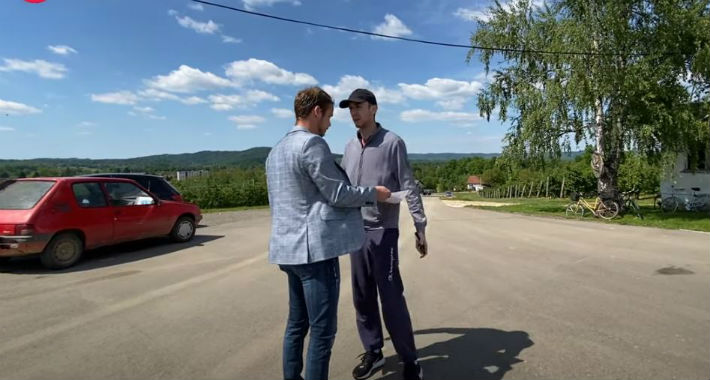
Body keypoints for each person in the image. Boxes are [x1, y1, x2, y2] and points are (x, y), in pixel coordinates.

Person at [266, 86, 392, 380]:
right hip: (314, 252)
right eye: (330, 116)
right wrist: (375, 193)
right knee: (323, 332)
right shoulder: (311, 145)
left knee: (297, 324)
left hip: (287, 252)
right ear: (317, 111)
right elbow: (337, 193)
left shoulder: (276, 150)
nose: (331, 123)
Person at [339, 89, 428, 380]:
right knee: (362, 298)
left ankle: (410, 360)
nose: (354, 112)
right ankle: (374, 352)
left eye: (359, 106)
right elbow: (345, 191)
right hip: (355, 233)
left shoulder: (392, 142)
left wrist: (420, 226)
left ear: (374, 108)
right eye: (350, 108)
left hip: (383, 232)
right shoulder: (349, 147)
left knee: (391, 300)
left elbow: (409, 185)